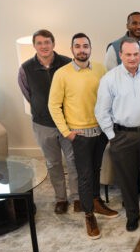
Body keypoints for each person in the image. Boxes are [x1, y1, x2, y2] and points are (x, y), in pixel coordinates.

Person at [48, 32, 117, 239]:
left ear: (90, 48)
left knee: (96, 169)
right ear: (72, 50)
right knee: (85, 175)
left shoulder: (100, 69)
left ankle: (96, 202)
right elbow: (53, 105)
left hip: (100, 131)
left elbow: (109, 96)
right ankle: (88, 214)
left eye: (85, 46)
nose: (82, 50)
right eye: (77, 46)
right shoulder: (62, 73)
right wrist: (67, 133)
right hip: (80, 135)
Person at [95, 40, 140, 232]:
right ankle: (132, 215)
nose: (132, 58)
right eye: (128, 55)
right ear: (121, 56)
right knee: (127, 178)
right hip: (122, 136)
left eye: (136, 54)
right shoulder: (110, 79)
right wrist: (112, 136)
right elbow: (102, 111)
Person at [18, 29, 78, 214]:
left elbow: (75, 90)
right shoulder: (26, 68)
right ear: (34, 45)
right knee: (53, 163)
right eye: (39, 43)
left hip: (68, 123)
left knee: (73, 161)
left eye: (47, 42)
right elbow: (28, 93)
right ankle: (61, 199)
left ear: (53, 44)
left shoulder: (68, 63)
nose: (44, 46)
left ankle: (77, 197)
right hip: (43, 125)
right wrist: (42, 108)